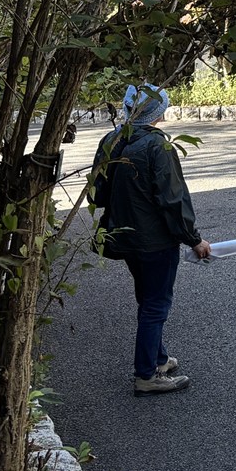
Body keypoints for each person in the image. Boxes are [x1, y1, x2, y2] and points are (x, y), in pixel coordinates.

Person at [89, 84, 211, 395]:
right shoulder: (159, 147)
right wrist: (194, 240)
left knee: (147, 298)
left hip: (123, 234)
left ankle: (158, 358)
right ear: (159, 112)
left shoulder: (111, 139)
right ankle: (146, 374)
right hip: (155, 240)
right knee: (156, 304)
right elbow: (172, 200)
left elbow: (97, 192)